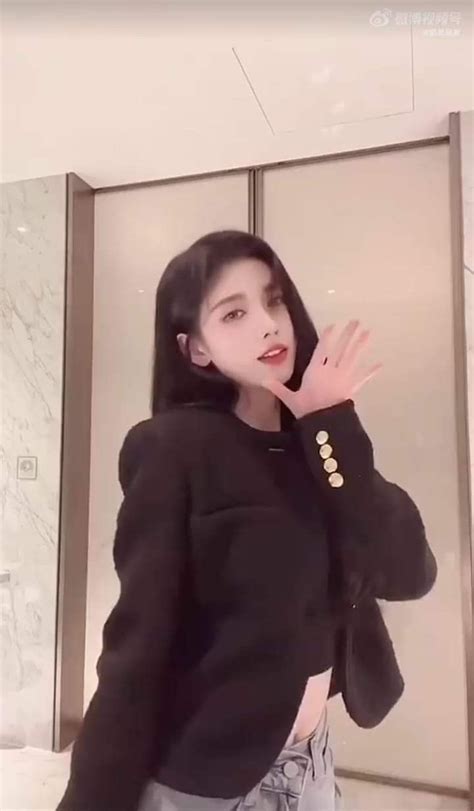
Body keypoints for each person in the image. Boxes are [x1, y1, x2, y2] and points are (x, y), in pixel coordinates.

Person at [57, 230, 437, 811]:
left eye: (274, 300)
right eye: (234, 313)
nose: (267, 324)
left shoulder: (319, 444)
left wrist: (331, 423)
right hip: (207, 780)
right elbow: (138, 643)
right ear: (196, 349)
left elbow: (411, 573)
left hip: (311, 765)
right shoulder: (173, 448)